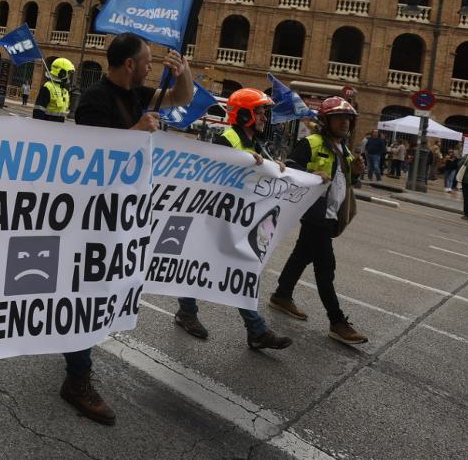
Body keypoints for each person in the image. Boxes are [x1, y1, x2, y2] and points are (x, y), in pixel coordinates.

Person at [66, 32, 193, 426]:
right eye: (148, 60)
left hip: (124, 215)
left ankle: (74, 358)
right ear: (128, 65)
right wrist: (137, 131)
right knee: (84, 292)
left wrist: (183, 71)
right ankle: (77, 379)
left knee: (103, 288)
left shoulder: (140, 95)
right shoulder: (94, 100)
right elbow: (89, 156)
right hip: (92, 215)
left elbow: (182, 98)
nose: (152, 67)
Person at [173, 88, 293, 351]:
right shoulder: (227, 139)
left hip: (237, 221)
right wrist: (240, 162)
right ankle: (187, 312)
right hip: (214, 217)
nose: (264, 116)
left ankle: (256, 330)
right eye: (259, 111)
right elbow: (210, 171)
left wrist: (278, 168)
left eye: (264, 111)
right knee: (198, 265)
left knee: (239, 272)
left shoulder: (258, 143)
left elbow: (263, 173)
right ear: (244, 115)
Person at [270, 96, 369, 345]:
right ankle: (337, 322)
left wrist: (355, 173)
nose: (345, 123)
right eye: (339, 118)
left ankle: (282, 294)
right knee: (326, 268)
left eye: (348, 118)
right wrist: (309, 173)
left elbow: (344, 182)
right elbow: (289, 170)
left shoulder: (342, 149)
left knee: (302, 254)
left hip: (329, 214)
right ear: (326, 120)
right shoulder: (311, 143)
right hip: (314, 214)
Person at [33, 58, 74, 122]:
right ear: (61, 73)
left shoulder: (64, 90)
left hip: (57, 127)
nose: (69, 76)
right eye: (68, 73)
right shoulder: (48, 87)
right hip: (47, 127)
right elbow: (38, 110)